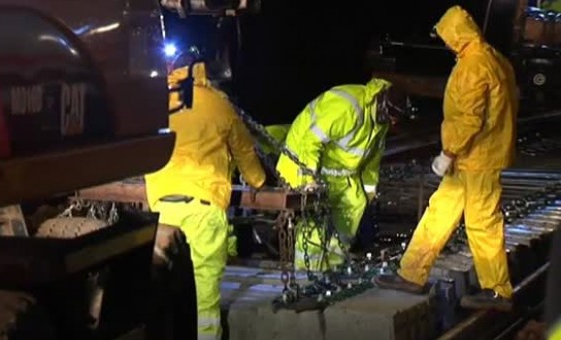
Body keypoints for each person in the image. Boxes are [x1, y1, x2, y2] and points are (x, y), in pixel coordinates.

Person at [373, 5, 518, 312]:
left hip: (477, 159)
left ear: (455, 35)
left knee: (482, 224)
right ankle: (411, 273)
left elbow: (469, 119)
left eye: (445, 37)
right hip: (475, 158)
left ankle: (497, 290)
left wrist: (448, 152)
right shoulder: (493, 59)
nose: (444, 42)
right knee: (440, 213)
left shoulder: (474, 66)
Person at [145, 57, 266, 340]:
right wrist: (258, 181)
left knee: (162, 291)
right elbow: (245, 153)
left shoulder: (158, 102)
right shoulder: (218, 104)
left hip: (162, 208)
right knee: (204, 298)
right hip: (203, 210)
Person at [275, 78, 407, 272]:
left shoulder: (379, 123)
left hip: (336, 172)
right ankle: (307, 271)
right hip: (303, 162)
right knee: (316, 217)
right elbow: (310, 141)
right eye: (392, 118)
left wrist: (370, 190)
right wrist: (309, 180)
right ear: (382, 105)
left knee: (355, 203)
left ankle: (333, 265)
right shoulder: (347, 108)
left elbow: (371, 160)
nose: (392, 123)